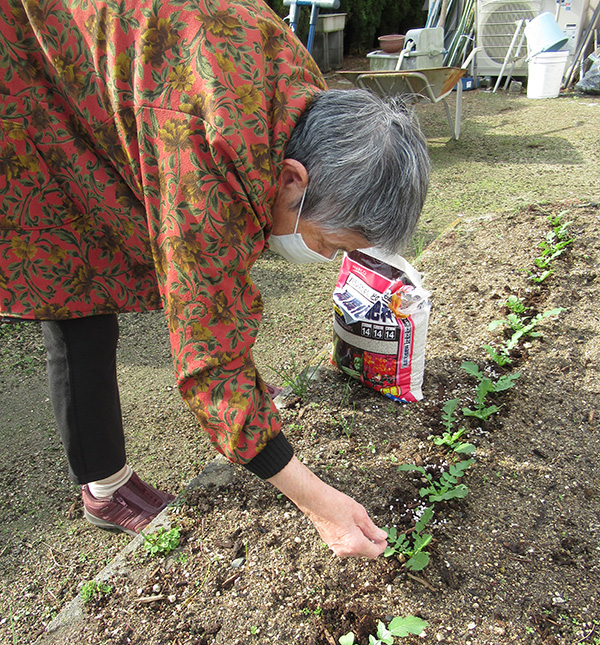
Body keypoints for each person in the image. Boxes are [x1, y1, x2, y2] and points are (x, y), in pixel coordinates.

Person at [0, 0, 430, 558]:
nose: (325, 258)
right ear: (294, 180)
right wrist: (321, 503)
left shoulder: (299, 94)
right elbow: (207, 355)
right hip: (29, 83)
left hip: (118, 67)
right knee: (74, 278)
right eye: (330, 243)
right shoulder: (205, 156)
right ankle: (104, 487)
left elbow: (221, 279)